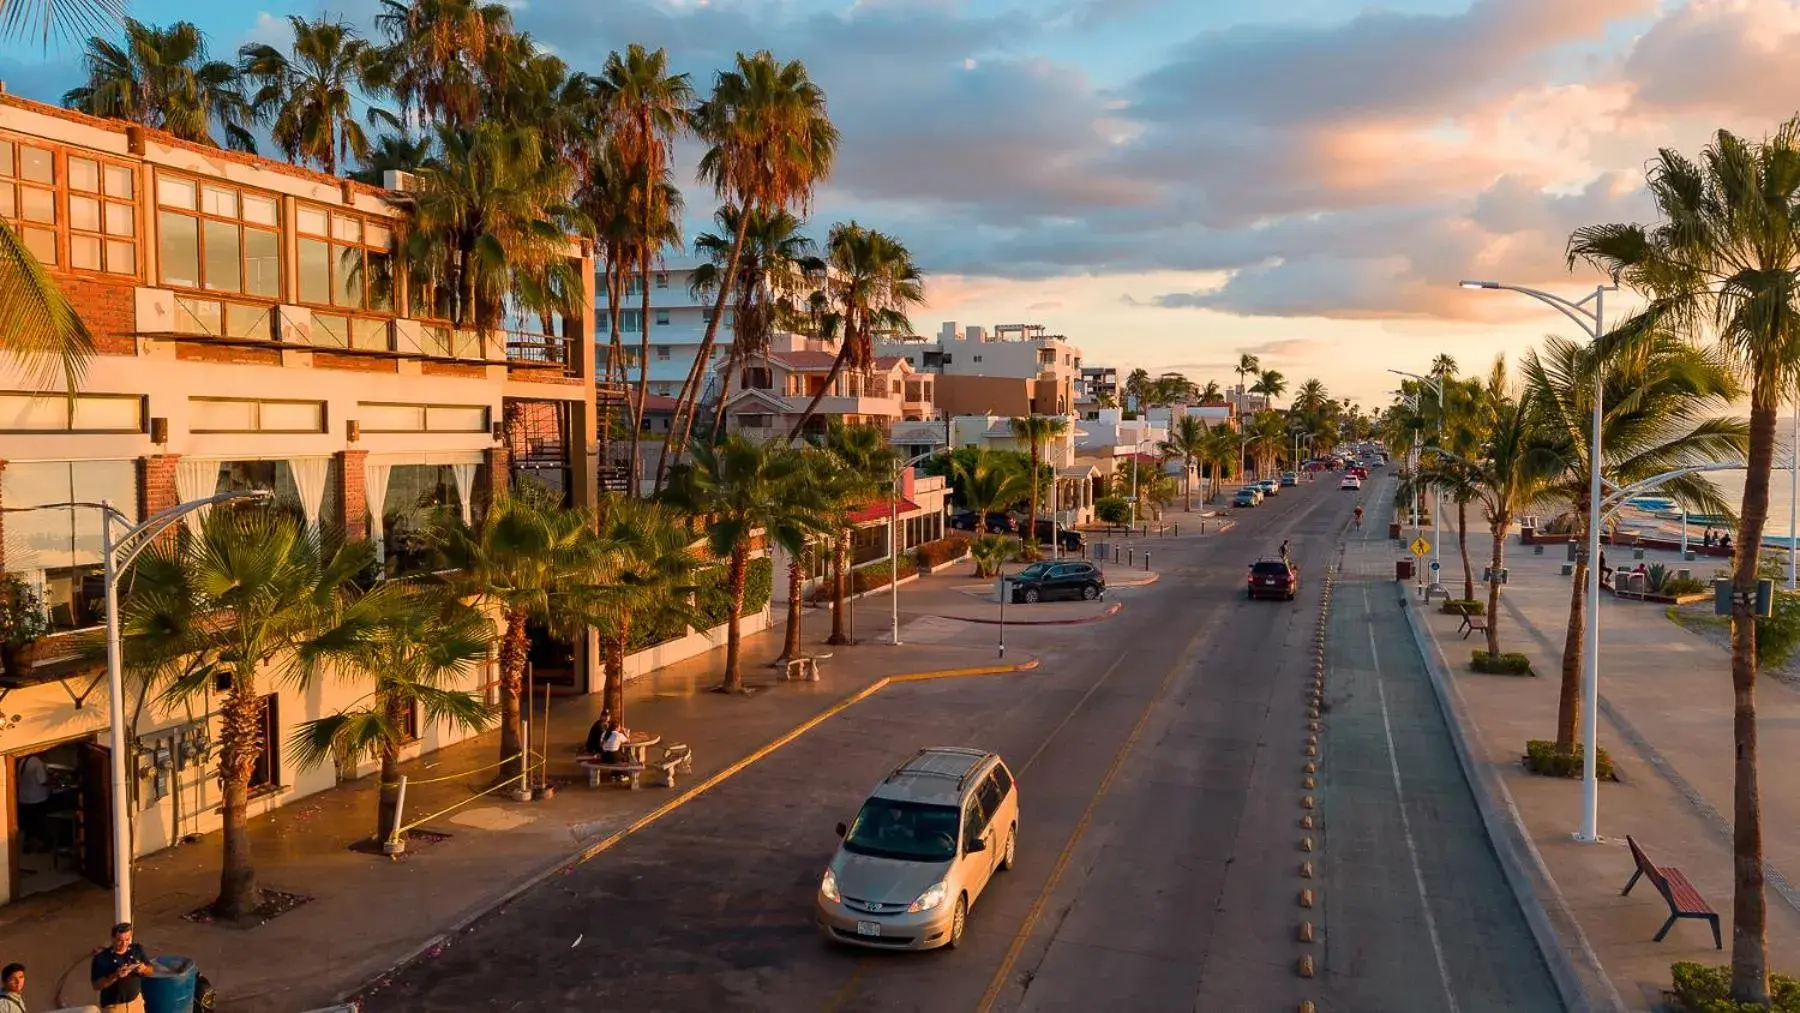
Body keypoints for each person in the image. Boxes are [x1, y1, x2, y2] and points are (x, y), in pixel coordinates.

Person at [91, 922, 155, 1013]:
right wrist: (115, 976)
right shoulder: (102, 958)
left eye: (127, 939)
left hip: (136, 1003)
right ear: (113, 939)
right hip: (114, 1007)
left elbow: (151, 970)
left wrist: (143, 969)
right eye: (120, 940)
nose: (124, 943)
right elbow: (96, 986)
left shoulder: (137, 949)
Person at [15, 754, 48, 853]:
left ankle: (29, 844)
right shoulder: (38, 763)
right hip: (37, 799)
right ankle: (42, 843)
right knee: (39, 823)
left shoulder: (22, 762)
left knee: (30, 823)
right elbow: (43, 781)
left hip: (24, 799)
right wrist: (52, 781)